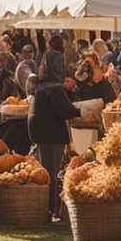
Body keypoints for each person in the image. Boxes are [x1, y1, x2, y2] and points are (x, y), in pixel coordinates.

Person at [29, 50, 80, 221]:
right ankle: (54, 209)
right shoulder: (55, 88)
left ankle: (46, 208)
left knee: (45, 171)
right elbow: (65, 110)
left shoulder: (41, 86)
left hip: (40, 133)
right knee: (55, 172)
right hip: (53, 135)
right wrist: (80, 109)